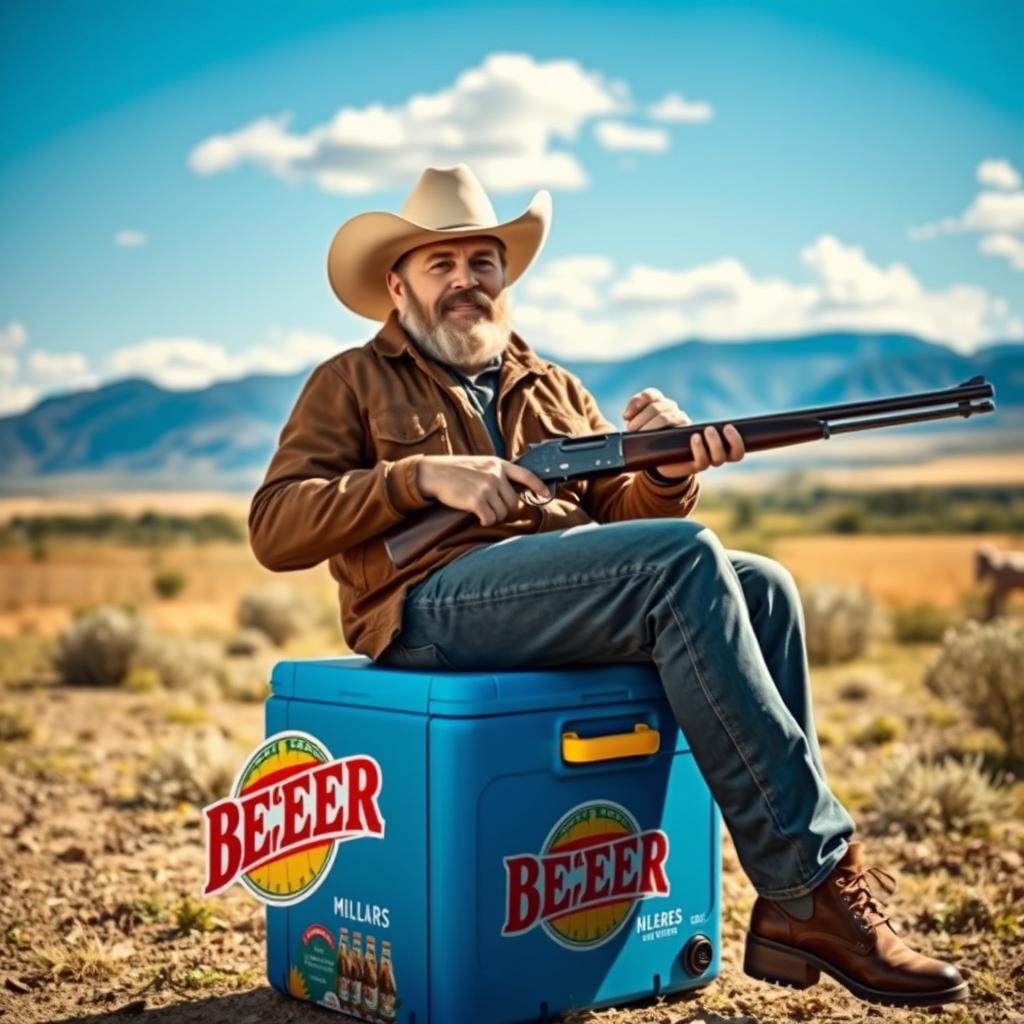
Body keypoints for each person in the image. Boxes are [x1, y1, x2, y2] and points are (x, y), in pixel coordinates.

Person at [249, 164, 968, 1009]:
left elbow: (621, 512)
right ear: (397, 284)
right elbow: (275, 525)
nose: (464, 281)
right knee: (684, 559)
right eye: (440, 264)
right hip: (425, 606)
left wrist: (668, 473)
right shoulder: (349, 381)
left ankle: (786, 905)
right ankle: (813, 881)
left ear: (504, 277)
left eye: (482, 262)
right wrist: (420, 479)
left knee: (762, 585)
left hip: (540, 598)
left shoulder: (550, 385)